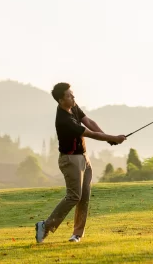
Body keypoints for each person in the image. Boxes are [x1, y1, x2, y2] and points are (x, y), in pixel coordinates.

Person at [35, 82, 126, 243]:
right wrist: (113, 138)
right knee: (74, 196)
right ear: (61, 100)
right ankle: (46, 225)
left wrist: (108, 138)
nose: (73, 97)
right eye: (69, 95)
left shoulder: (73, 107)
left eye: (72, 94)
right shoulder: (64, 119)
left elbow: (88, 121)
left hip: (83, 157)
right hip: (70, 160)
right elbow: (90, 133)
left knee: (84, 197)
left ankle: (77, 234)